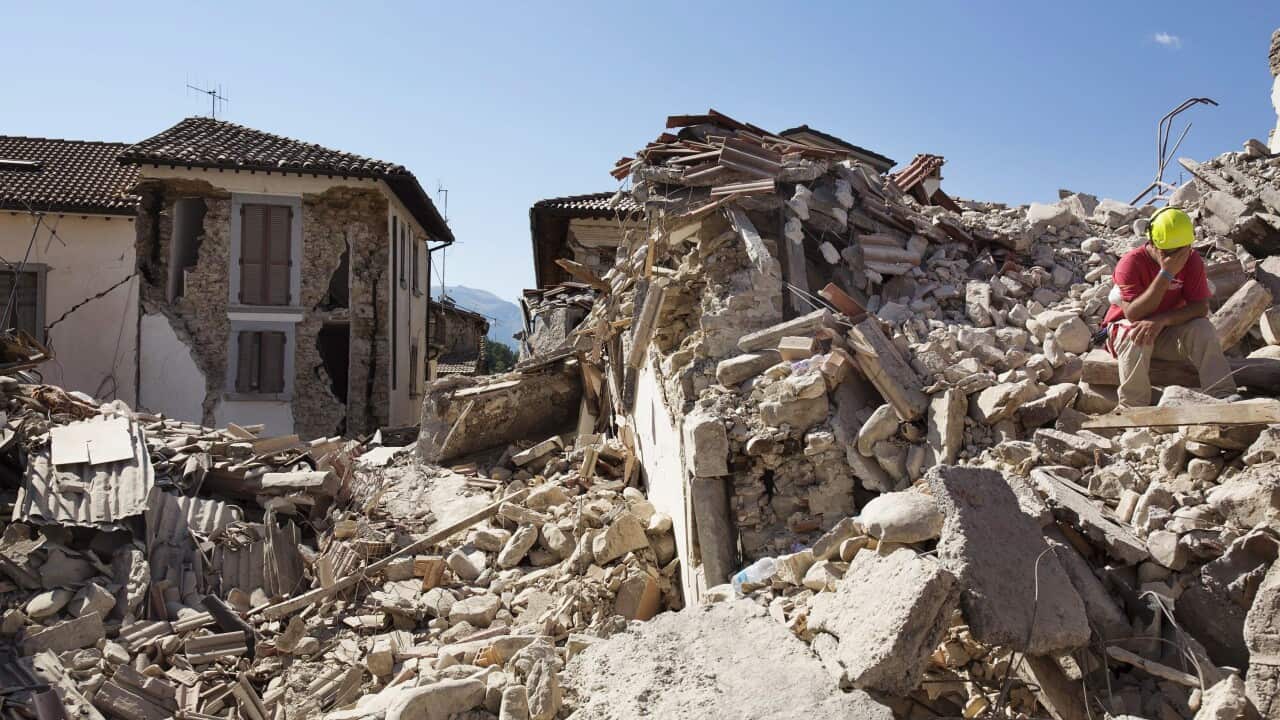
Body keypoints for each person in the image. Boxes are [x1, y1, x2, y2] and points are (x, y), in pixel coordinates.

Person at [1101, 206, 1235, 408]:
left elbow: (1199, 308)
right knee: (1136, 332)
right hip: (1125, 334)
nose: (1176, 258)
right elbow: (1134, 314)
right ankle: (1133, 408)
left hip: (1165, 333)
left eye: (1182, 251)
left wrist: (1162, 320)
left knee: (1202, 328)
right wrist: (1166, 274)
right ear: (1152, 243)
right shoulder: (1131, 263)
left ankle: (1223, 395)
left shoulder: (1191, 260)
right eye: (1168, 252)